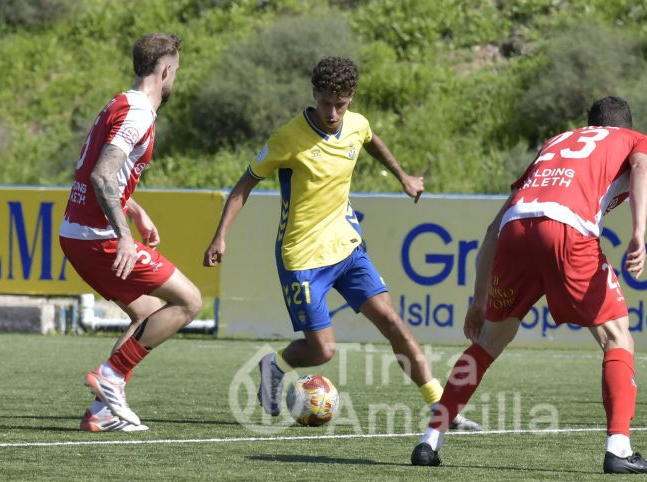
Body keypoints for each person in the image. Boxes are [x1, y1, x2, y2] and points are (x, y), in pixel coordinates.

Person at [203, 56, 480, 431]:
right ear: (314, 94)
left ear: (351, 98)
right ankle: (275, 365)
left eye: (341, 104)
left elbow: (370, 139)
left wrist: (402, 176)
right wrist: (220, 235)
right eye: (326, 103)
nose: (333, 113)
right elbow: (243, 186)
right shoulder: (287, 139)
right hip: (302, 258)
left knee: (394, 323)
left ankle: (442, 408)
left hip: (348, 249)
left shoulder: (356, 124)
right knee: (322, 351)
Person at [411, 96, 647, 474]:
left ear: (589, 124)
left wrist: (478, 299)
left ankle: (429, 440)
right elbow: (640, 167)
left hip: (514, 230)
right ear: (624, 125)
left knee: (487, 341)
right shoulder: (635, 139)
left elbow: (493, 227)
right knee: (617, 336)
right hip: (567, 229)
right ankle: (619, 448)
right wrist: (639, 232)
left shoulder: (556, 142)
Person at [59, 33, 202, 432]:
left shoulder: (119, 103)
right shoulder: (138, 113)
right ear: (166, 70)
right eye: (176, 71)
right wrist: (124, 235)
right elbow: (102, 175)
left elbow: (103, 171)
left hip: (79, 233)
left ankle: (102, 412)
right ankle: (111, 375)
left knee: (148, 312)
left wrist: (136, 211)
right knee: (189, 301)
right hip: (98, 237)